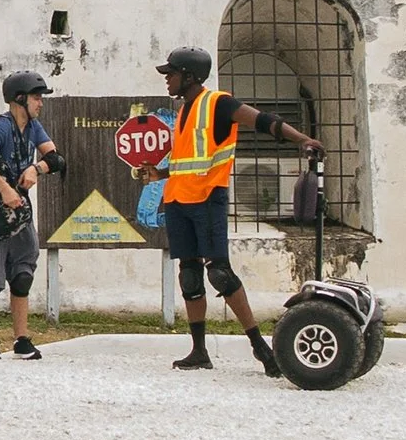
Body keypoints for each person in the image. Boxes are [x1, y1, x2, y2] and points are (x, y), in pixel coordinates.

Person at [136, 45, 322, 374]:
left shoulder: (217, 104)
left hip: (207, 200)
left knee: (219, 273)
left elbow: (263, 121)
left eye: (172, 74)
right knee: (190, 277)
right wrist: (160, 174)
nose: (167, 80)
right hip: (179, 200)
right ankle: (199, 351)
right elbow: (187, 162)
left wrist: (301, 139)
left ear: (189, 77)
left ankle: (260, 348)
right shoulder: (183, 112)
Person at [0, 70, 63, 361]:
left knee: (22, 277)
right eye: (36, 98)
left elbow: (55, 159)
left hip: (19, 216)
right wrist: (6, 189)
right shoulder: (1, 126)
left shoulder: (33, 128)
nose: (40, 103)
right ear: (19, 99)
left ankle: (21, 340)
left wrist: (36, 168)